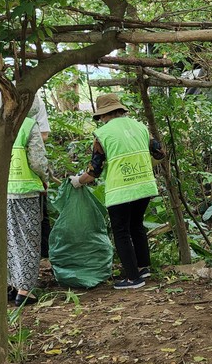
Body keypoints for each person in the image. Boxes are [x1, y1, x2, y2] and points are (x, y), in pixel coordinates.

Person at [69, 93, 164, 290]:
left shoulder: (102, 135)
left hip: (120, 190)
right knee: (136, 225)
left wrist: (78, 181)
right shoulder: (140, 127)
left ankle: (132, 278)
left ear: (103, 115)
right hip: (145, 185)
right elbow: (159, 153)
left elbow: (94, 171)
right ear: (121, 110)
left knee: (121, 231)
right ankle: (143, 267)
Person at [0, 94, 48, 306]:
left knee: (6, 240)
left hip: (1, 194)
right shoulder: (28, 125)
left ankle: (9, 286)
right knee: (27, 240)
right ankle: (24, 291)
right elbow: (37, 161)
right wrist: (45, 179)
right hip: (26, 192)